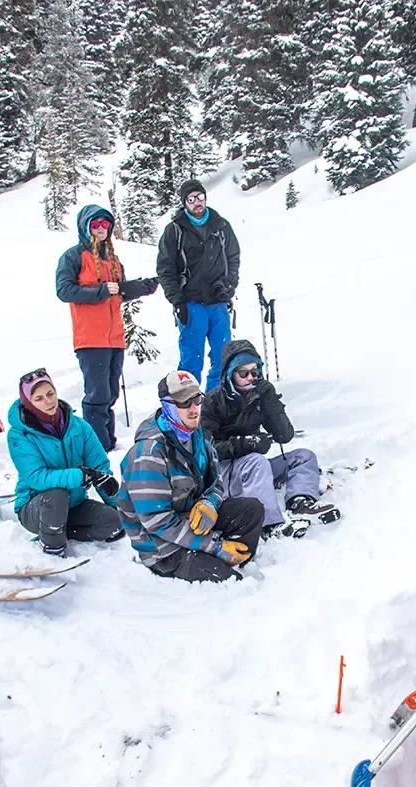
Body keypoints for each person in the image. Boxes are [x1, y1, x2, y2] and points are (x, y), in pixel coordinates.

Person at [118, 370, 264, 582]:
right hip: (162, 546)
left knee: (252, 510)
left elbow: (216, 482)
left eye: (197, 399)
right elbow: (158, 522)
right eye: (184, 402)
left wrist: (210, 503)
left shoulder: (198, 437)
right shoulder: (149, 455)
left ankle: (228, 558)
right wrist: (214, 546)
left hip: (192, 520)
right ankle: (216, 560)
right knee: (227, 579)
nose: (194, 408)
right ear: (167, 405)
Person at [201, 340, 340, 538]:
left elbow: (285, 435)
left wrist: (271, 401)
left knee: (304, 456)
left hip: (252, 468)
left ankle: (299, 500)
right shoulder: (213, 402)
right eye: (244, 373)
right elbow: (206, 448)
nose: (251, 377)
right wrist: (246, 443)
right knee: (257, 461)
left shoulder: (260, 395)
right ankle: (267, 523)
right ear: (230, 374)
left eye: (255, 372)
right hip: (223, 473)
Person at [55, 205, 159, 452]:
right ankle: (97, 448)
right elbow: (64, 291)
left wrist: (143, 287)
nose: (101, 229)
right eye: (95, 224)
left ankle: (108, 443)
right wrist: (101, 291)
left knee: (110, 393)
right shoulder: (74, 256)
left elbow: (119, 291)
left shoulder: (112, 259)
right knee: (97, 396)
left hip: (114, 338)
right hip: (91, 338)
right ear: (85, 226)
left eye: (105, 224)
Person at [7, 368, 124, 556]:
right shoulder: (20, 435)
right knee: (56, 494)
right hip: (36, 507)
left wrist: (116, 502)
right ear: (29, 403)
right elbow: (36, 477)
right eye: (38, 398)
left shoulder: (79, 426)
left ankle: (58, 530)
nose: (48, 401)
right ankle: (52, 548)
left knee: (114, 523)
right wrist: (80, 476)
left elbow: (99, 466)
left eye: (50, 393)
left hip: (74, 504)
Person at [155, 180, 241, 392]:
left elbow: (233, 257)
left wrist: (229, 287)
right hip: (191, 303)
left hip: (218, 301)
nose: (197, 203)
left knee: (223, 357)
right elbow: (165, 268)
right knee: (191, 361)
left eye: (200, 197)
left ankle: (216, 404)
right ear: (185, 203)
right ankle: (187, 408)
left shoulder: (221, 225)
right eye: (191, 199)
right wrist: (177, 300)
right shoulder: (175, 231)